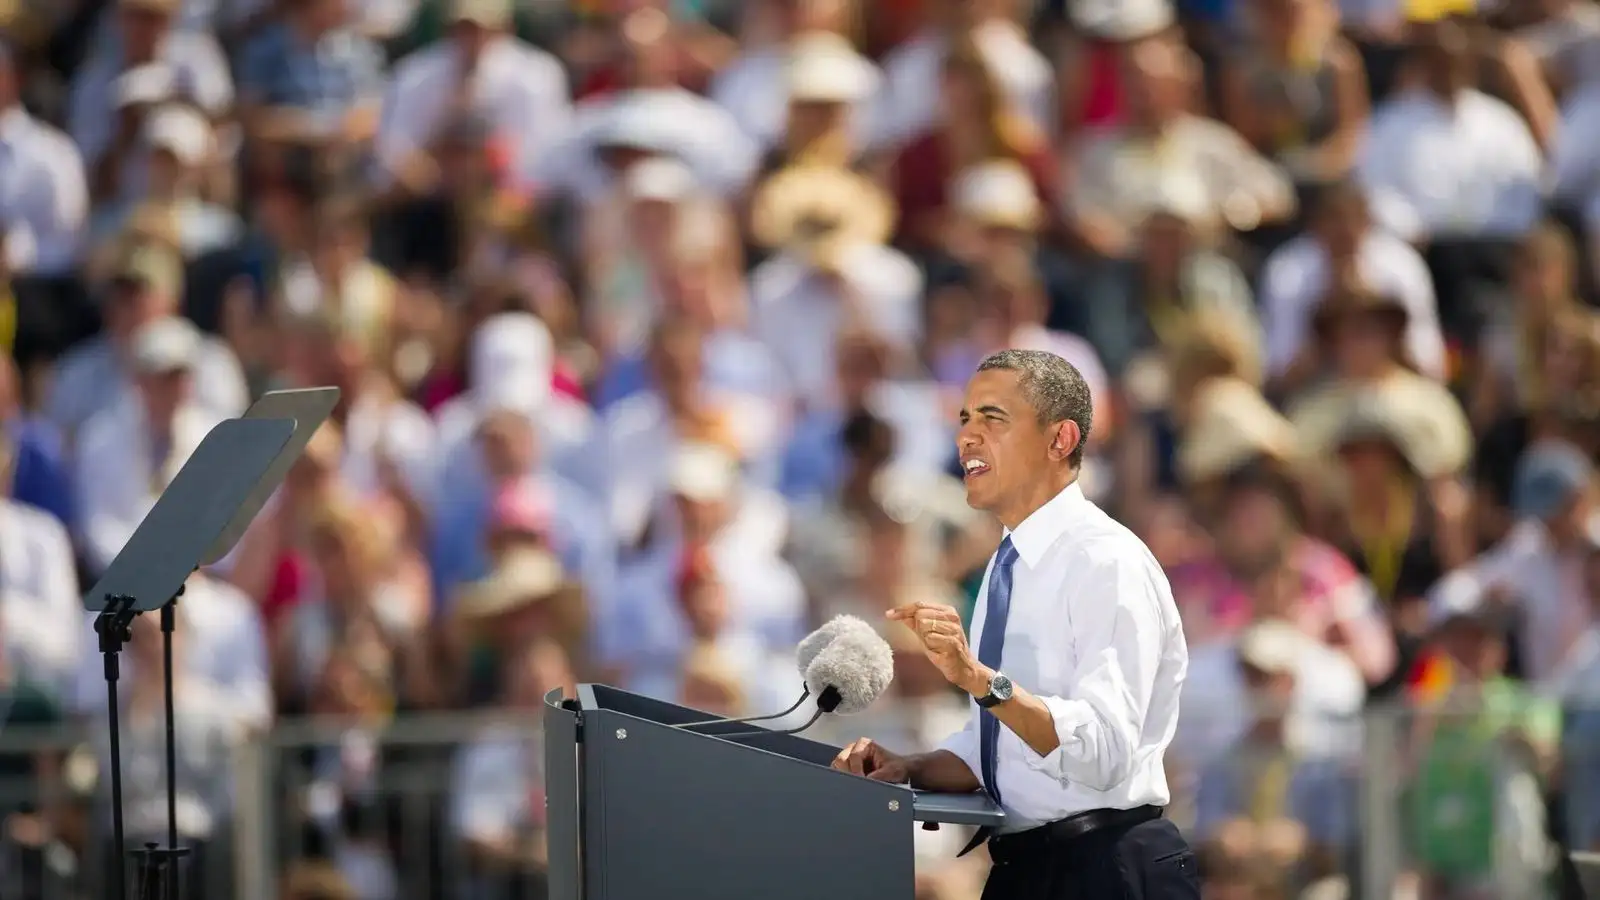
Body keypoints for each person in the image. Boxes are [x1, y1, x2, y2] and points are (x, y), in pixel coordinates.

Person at [832, 348, 1199, 899]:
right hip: (1026, 871)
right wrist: (908, 767)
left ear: (1060, 440)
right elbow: (1004, 754)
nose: (966, 438)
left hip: (1106, 872)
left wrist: (981, 680)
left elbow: (1103, 751)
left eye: (992, 418)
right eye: (963, 419)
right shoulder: (1009, 565)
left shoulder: (1106, 562)